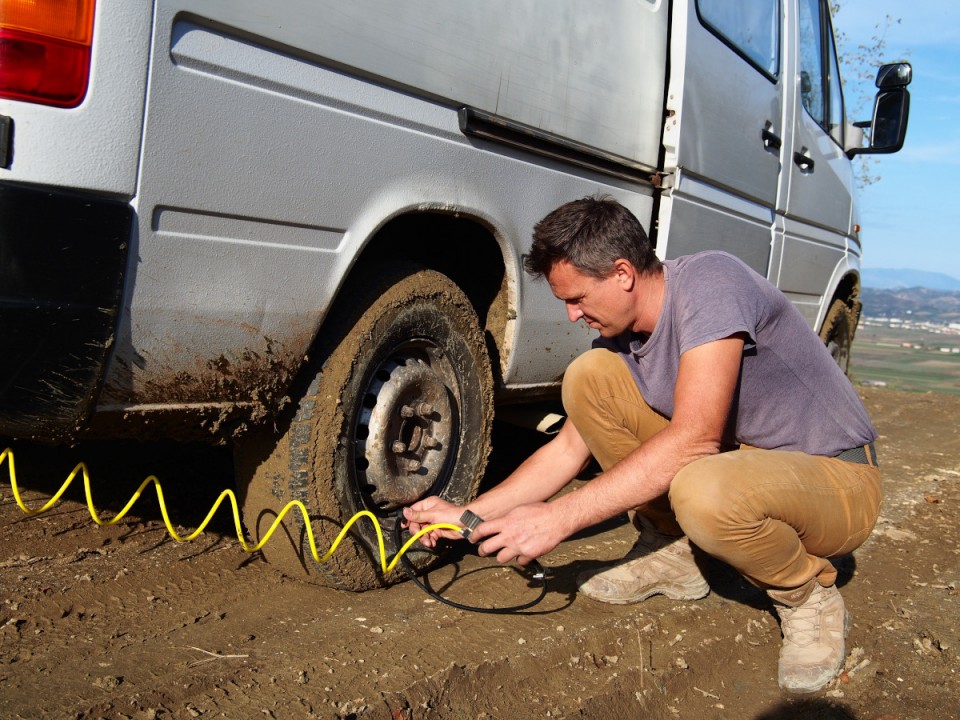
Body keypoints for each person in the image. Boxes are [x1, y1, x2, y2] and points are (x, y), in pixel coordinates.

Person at [403, 196, 881, 694]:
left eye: (577, 298)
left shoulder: (711, 284)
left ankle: (807, 594)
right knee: (590, 376)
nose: (572, 315)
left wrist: (557, 519)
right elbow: (567, 451)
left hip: (836, 480)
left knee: (703, 488)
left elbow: (695, 440)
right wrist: (468, 515)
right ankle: (674, 549)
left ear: (623, 273)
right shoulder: (621, 337)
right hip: (744, 467)